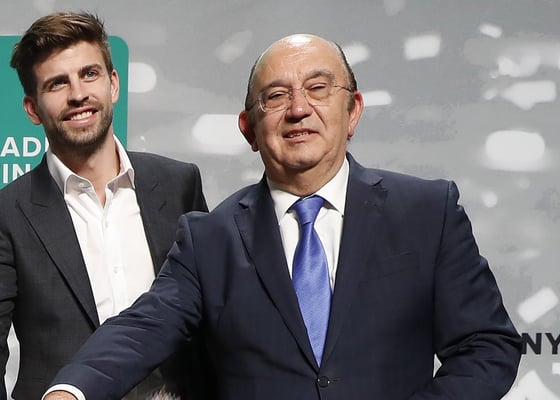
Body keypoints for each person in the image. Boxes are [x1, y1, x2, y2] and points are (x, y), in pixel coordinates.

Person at [44, 33, 521, 400]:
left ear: (353, 110)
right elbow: (143, 328)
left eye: (318, 88)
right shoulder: (209, 239)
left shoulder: (427, 211)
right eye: (275, 97)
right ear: (249, 129)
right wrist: (72, 390)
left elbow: (487, 345)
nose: (298, 109)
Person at [0, 11, 211, 400]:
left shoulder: (179, 183)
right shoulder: (8, 212)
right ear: (32, 109)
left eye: (89, 74)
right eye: (57, 83)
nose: (78, 94)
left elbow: (211, 316)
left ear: (113, 84)